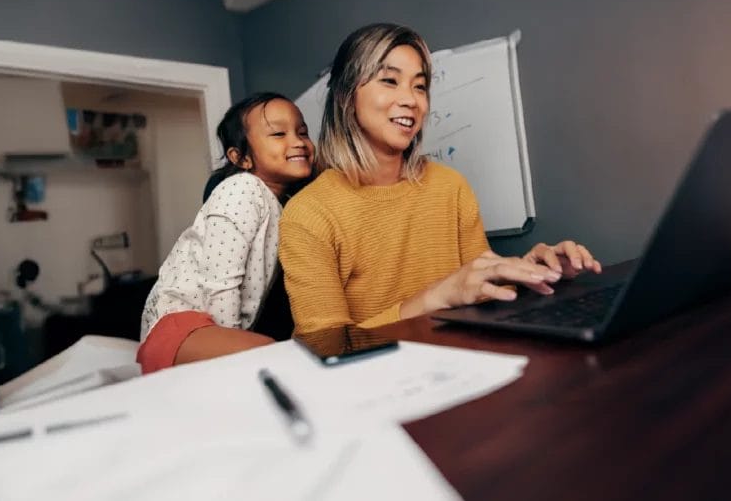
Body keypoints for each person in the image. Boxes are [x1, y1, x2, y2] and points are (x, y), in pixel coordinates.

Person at [279, 23, 601, 335]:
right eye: (390, 81)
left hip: (463, 360)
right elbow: (326, 347)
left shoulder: (450, 186)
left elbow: (478, 288)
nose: (411, 100)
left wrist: (531, 272)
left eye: (419, 86)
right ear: (347, 98)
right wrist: (435, 298)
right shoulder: (308, 214)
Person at [137, 92, 314, 372]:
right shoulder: (240, 189)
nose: (297, 142)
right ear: (241, 157)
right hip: (180, 327)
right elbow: (221, 285)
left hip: (207, 333)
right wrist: (233, 347)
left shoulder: (284, 205)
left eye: (302, 132)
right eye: (278, 134)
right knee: (271, 356)